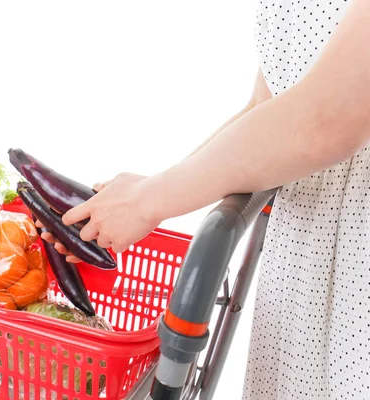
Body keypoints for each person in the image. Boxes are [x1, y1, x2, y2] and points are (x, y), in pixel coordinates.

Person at [37, 0, 370, 399]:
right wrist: (150, 192)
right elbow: (265, 109)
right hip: (303, 266)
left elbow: (327, 116)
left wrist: (147, 201)